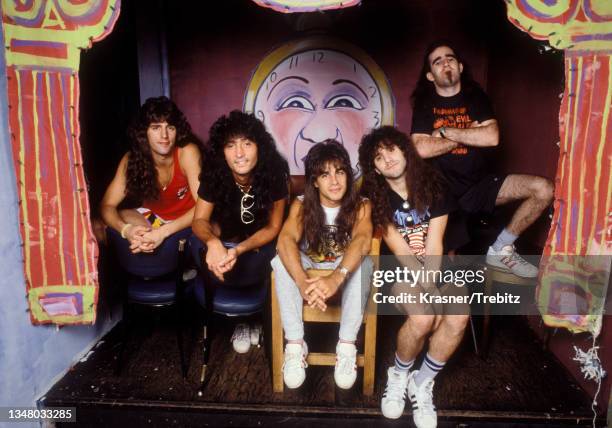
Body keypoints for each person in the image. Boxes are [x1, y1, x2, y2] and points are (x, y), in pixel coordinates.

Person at [410, 41, 554, 277]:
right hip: (442, 193)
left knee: (544, 189)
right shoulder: (426, 105)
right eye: (438, 61)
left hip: (480, 186)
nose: (446, 62)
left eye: (450, 58)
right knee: (446, 271)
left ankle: (501, 249)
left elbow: (492, 137)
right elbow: (421, 149)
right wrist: (469, 133)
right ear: (430, 75)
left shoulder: (476, 97)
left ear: (460, 67)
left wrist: (445, 132)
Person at [360, 126, 469, 427]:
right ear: (375, 168)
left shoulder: (435, 184)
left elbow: (435, 243)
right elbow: (400, 249)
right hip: (399, 268)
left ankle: (421, 382)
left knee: (459, 316)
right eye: (379, 158)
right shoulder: (374, 196)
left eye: (391, 150)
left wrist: (432, 288)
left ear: (405, 150)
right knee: (423, 317)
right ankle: (398, 375)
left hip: (436, 264)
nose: (388, 159)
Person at [272, 140, 373, 390]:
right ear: (314, 181)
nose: (335, 181)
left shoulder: (361, 205)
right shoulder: (302, 203)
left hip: (342, 271)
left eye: (340, 172)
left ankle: (346, 346)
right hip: (310, 274)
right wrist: (303, 283)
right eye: (325, 174)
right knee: (280, 259)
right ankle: (295, 345)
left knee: (366, 260)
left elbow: (361, 241)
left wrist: (336, 279)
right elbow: (284, 240)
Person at [192, 110, 289, 353]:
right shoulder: (215, 173)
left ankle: (258, 319)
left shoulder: (275, 170)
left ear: (260, 147)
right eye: (231, 145)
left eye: (247, 144)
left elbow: (274, 226)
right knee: (206, 241)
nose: (239, 154)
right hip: (226, 244)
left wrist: (241, 250)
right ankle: (243, 321)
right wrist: (214, 243)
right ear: (221, 151)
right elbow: (199, 221)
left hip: (261, 247)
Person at [100, 96, 201, 258]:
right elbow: (107, 205)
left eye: (170, 127)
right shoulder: (131, 159)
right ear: (144, 132)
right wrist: (127, 231)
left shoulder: (187, 152)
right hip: (154, 221)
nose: (164, 136)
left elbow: (203, 206)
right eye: (155, 128)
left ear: (177, 130)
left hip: (187, 222)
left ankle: (180, 263)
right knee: (114, 219)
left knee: (208, 226)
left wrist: (163, 232)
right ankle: (154, 255)